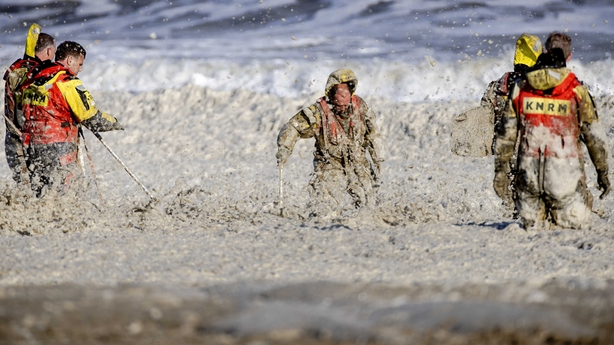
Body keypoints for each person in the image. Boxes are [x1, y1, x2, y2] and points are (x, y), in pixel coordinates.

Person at [494, 38, 610, 229]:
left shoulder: (521, 87)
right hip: (564, 180)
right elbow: (595, 139)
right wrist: (603, 174)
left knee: (531, 225)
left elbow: (505, 135)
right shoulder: (577, 90)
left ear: (545, 52)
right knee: (575, 218)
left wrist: (499, 174)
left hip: (528, 179)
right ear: (569, 56)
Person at [20, 41, 124, 197]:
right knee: (69, 194)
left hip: (32, 146)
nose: (80, 69)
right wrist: (116, 123)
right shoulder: (67, 82)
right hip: (59, 147)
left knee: (41, 195)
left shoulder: (33, 81)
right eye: (80, 64)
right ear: (70, 60)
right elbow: (90, 117)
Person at [276, 69, 385, 209]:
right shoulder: (318, 112)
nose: (343, 100)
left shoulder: (360, 108)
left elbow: (373, 132)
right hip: (329, 165)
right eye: (338, 94)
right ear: (331, 94)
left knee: (368, 204)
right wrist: (285, 149)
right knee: (325, 206)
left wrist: (378, 157)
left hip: (358, 163)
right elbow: (292, 127)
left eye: (345, 93)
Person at [482, 33, 542, 208]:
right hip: (530, 147)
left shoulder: (498, 85)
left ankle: (514, 210)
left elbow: (485, 116)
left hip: (505, 148)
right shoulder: (537, 86)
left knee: (510, 192)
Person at [3, 24, 55, 184]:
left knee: (25, 190)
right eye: (53, 51)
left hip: (11, 140)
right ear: (48, 51)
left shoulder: (16, 70)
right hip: (30, 140)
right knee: (42, 188)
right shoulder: (39, 75)